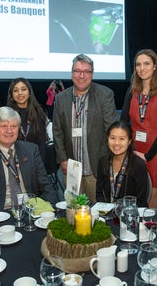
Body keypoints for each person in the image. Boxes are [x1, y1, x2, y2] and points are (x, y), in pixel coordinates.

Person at [0, 107, 58, 216]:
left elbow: (46, 186)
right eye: (4, 126)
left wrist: (50, 212)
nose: (9, 131)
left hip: (31, 212)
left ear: (18, 128)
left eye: (13, 126)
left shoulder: (31, 150)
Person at [53, 54, 117, 203]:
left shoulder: (105, 95)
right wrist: (62, 159)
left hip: (96, 169)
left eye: (86, 71)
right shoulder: (61, 99)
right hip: (72, 170)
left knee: (99, 214)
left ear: (92, 74)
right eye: (77, 71)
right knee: (73, 213)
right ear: (71, 73)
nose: (81, 76)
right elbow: (57, 132)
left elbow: (111, 131)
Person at [120, 49, 157, 208]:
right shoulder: (132, 91)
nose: (142, 68)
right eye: (138, 64)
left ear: (155, 66)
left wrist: (148, 155)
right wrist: (126, 149)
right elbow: (123, 122)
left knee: (151, 202)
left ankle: (149, 231)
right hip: (135, 149)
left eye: (146, 64)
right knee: (132, 197)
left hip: (155, 151)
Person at [96, 121, 149, 207]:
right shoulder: (103, 162)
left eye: (121, 139)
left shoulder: (138, 165)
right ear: (107, 138)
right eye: (112, 138)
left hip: (129, 214)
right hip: (106, 213)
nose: (116, 143)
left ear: (129, 141)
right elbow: (99, 193)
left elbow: (141, 201)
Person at [7, 78, 48, 162]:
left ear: (29, 92)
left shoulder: (38, 113)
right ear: (11, 95)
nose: (20, 93)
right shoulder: (7, 115)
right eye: (15, 90)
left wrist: (40, 169)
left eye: (23, 89)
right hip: (13, 164)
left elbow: (42, 146)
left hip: (35, 164)